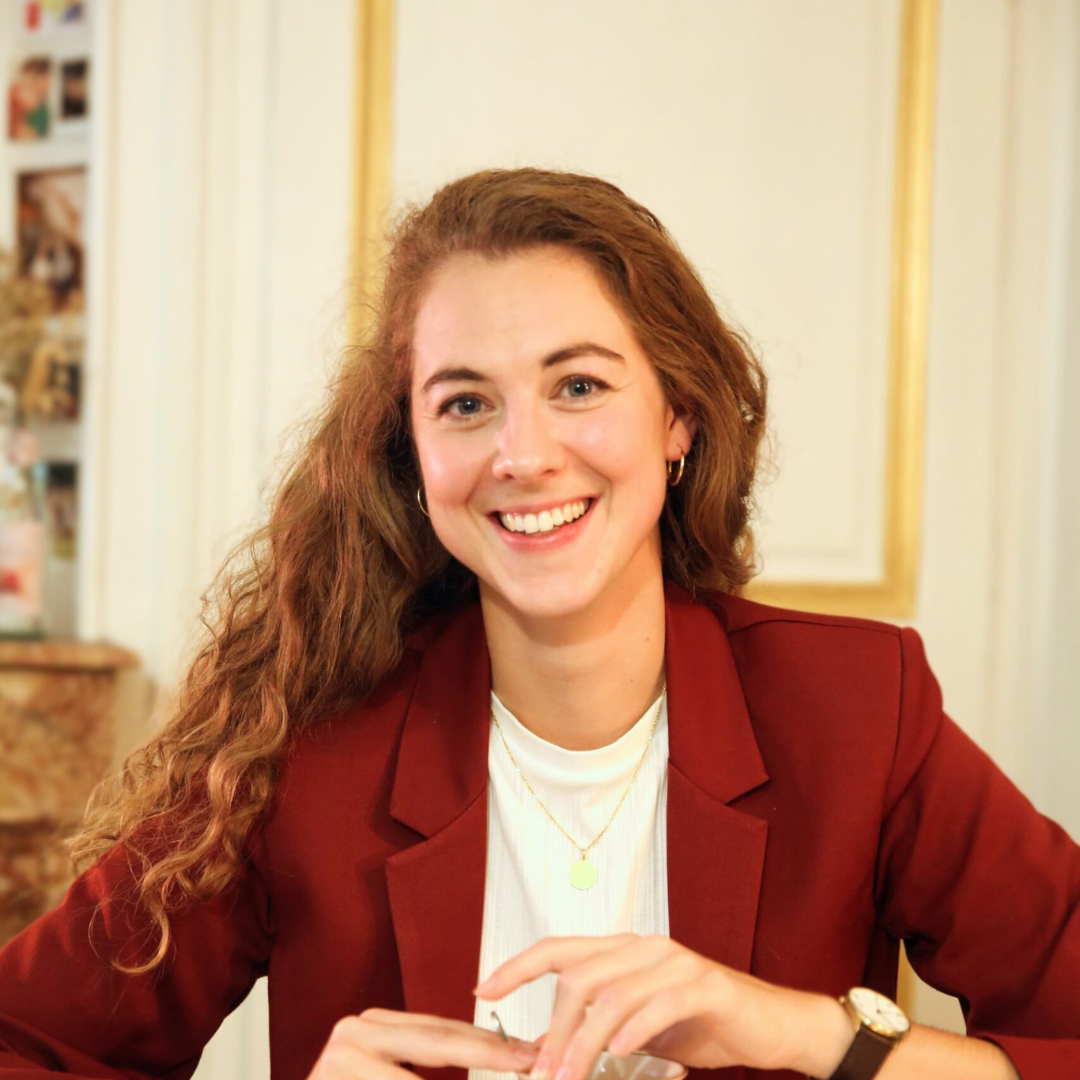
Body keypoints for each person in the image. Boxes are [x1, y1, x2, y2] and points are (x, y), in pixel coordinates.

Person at [0, 168, 1076, 1080]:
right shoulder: (299, 744)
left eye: (579, 386)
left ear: (677, 417)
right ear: (413, 457)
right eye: (466, 404)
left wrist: (802, 1031)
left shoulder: (857, 710)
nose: (523, 455)